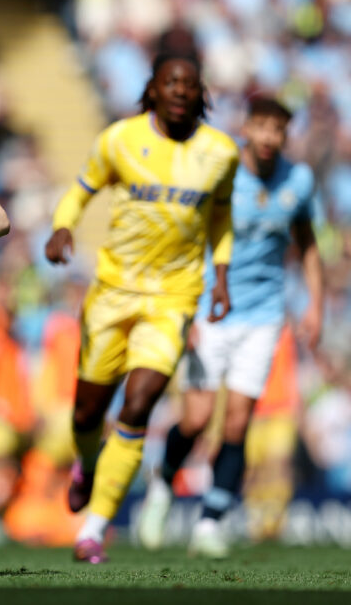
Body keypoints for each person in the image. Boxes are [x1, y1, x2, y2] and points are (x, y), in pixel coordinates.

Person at [44, 51, 238, 563]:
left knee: (139, 404)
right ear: (152, 89)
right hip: (112, 293)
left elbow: (220, 219)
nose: (179, 90)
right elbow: (81, 192)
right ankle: (87, 462)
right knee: (88, 409)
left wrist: (220, 276)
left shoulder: (220, 153)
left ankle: (94, 528)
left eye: (189, 84)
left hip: (174, 299)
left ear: (201, 95)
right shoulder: (120, 139)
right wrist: (63, 226)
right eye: (170, 82)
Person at [137, 97, 323, 558]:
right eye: (259, 126)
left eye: (276, 130)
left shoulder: (297, 181)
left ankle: (210, 523)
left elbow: (308, 245)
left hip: (263, 315)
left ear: (284, 135)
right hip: (210, 310)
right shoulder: (220, 171)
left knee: (239, 422)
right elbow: (184, 237)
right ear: (247, 127)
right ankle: (162, 483)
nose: (266, 137)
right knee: (198, 418)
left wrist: (315, 304)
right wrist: (183, 309)